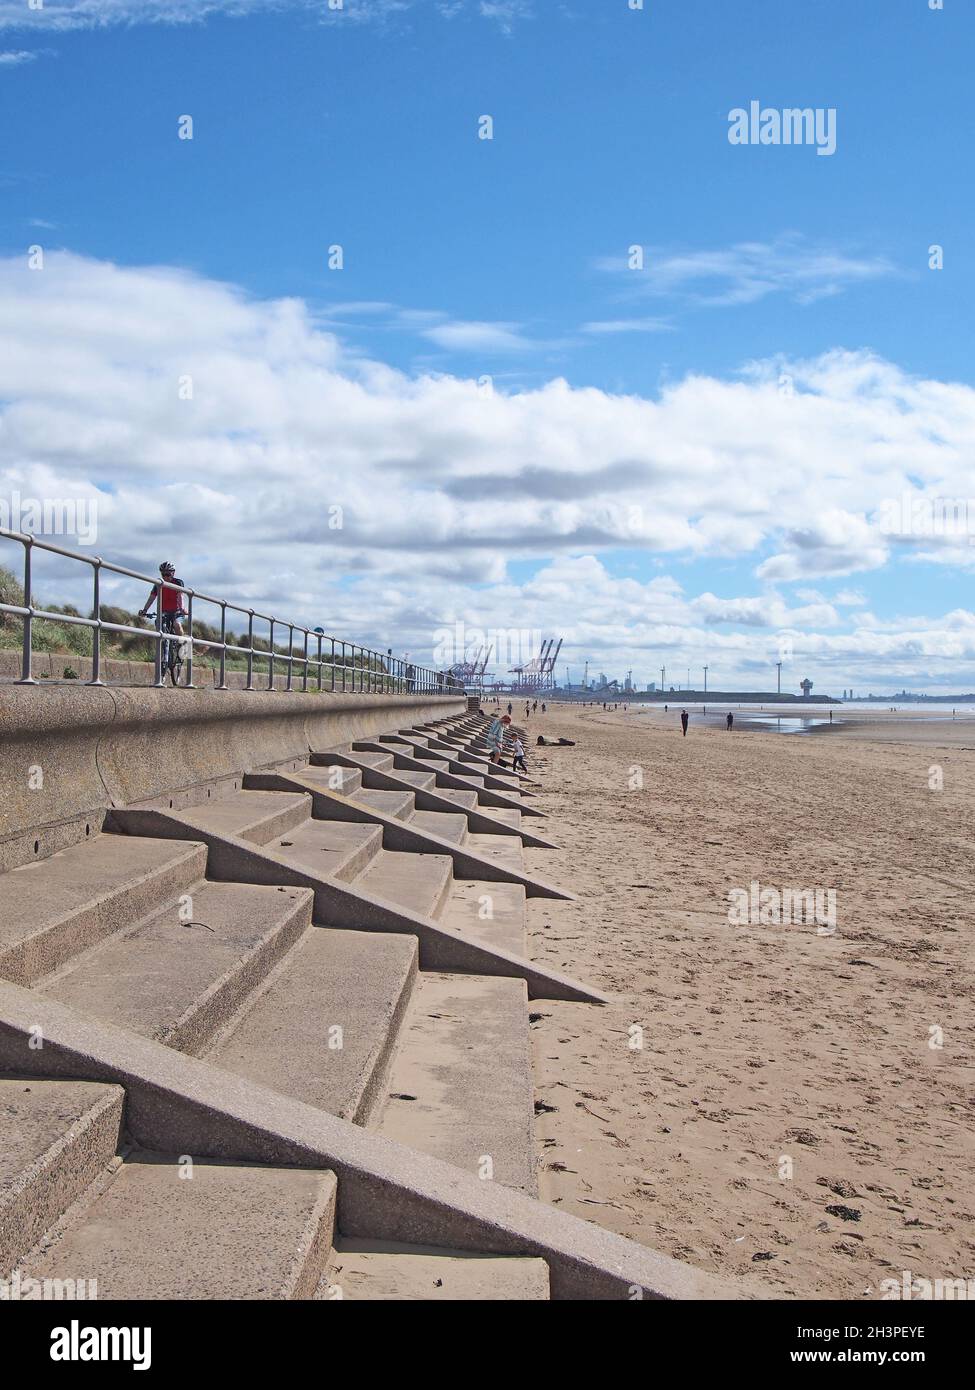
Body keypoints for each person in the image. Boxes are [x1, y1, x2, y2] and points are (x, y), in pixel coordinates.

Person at [140, 561, 186, 636]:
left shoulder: (178, 582)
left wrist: (182, 609)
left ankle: (181, 643)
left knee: (177, 624)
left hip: (177, 612)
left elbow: (180, 596)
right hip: (164, 612)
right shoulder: (158, 584)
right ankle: (162, 646)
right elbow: (151, 598)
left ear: (173, 573)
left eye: (167, 574)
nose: (165, 577)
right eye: (163, 574)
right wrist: (145, 610)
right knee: (158, 624)